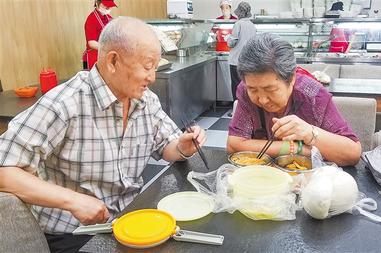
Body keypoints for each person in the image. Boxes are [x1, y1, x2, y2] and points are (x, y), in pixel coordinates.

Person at [0, 17, 206, 253]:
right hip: (74, 234)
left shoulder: (145, 100)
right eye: (147, 67)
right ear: (113, 61)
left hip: (129, 221)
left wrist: (181, 147)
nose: (152, 77)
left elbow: (166, 146)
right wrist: (73, 201)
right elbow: (4, 170)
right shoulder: (65, 104)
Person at [227, 33, 361, 166]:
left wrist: (310, 133)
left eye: (271, 90)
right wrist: (297, 148)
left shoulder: (313, 96)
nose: (262, 100)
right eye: (253, 90)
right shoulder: (245, 90)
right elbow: (234, 145)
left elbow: (353, 154)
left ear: (291, 78)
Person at [226, 1, 256, 102]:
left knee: (236, 85)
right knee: (245, 85)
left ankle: (237, 109)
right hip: (248, 61)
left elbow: (232, 42)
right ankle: (245, 108)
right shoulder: (252, 25)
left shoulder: (238, 24)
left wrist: (227, 38)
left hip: (236, 61)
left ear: (239, 13)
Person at [82, 0, 117, 70]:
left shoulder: (109, 18)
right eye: (105, 5)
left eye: (110, 6)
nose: (108, 8)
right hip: (94, 57)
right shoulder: (91, 20)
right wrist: (107, 48)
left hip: (105, 55)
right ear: (97, 3)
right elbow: (91, 43)